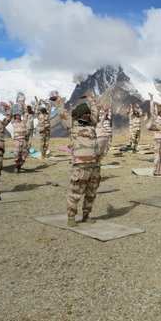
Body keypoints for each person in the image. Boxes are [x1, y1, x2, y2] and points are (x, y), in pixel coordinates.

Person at [55, 95, 102, 226]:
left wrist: (91, 100)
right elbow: (63, 114)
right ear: (80, 114)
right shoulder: (73, 125)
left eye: (88, 113)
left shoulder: (92, 124)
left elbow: (95, 112)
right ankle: (71, 217)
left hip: (95, 165)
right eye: (85, 113)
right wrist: (59, 103)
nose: (87, 115)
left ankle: (86, 215)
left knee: (91, 192)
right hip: (80, 165)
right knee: (75, 192)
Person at [148, 93, 161, 175]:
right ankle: (155, 170)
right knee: (157, 155)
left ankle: (160, 170)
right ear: (159, 112)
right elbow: (152, 110)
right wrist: (151, 99)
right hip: (158, 138)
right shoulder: (156, 118)